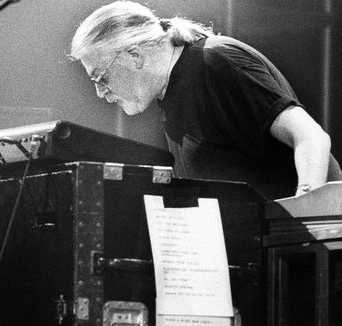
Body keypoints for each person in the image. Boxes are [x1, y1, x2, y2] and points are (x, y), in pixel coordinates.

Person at [69, 1, 341, 199]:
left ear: (135, 57)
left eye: (101, 77)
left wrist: (305, 211)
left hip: (300, 254)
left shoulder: (217, 61)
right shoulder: (169, 95)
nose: (100, 92)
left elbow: (310, 137)